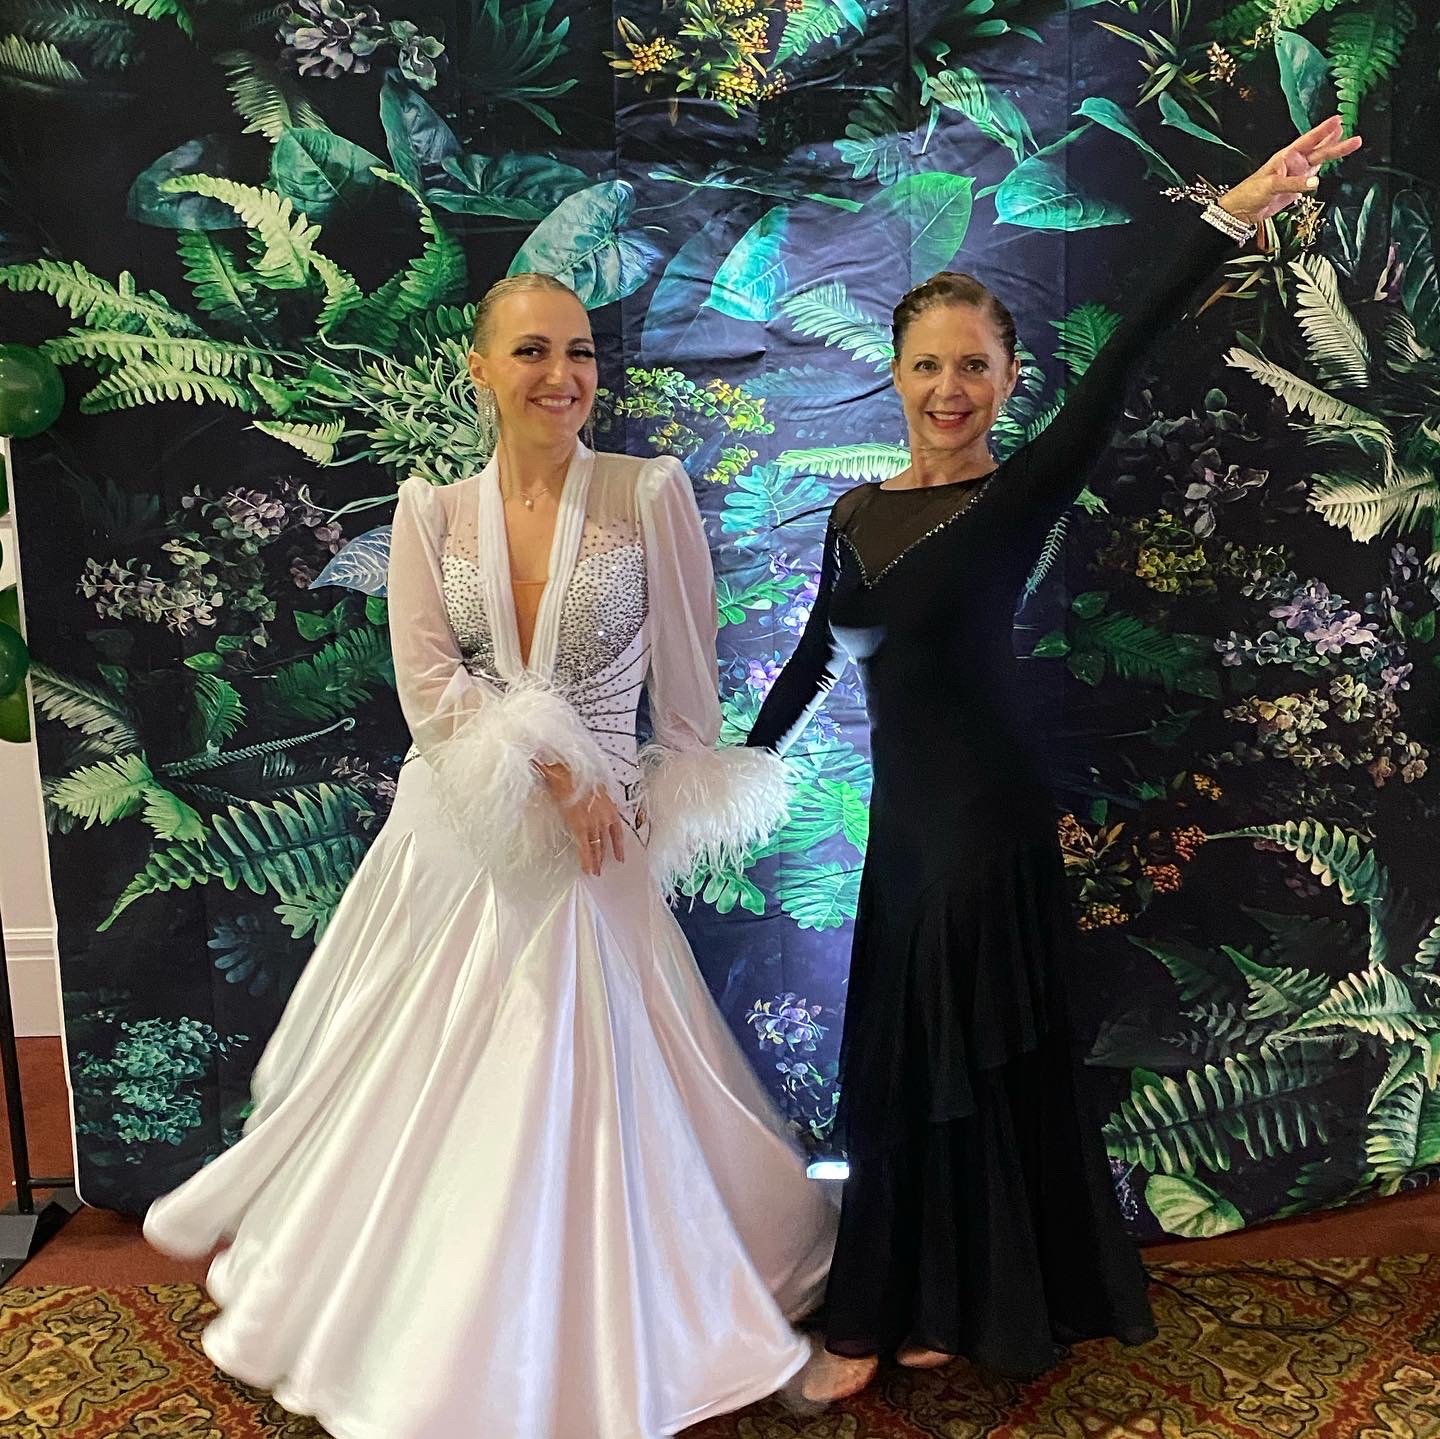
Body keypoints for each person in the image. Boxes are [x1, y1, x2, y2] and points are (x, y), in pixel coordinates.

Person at [144, 272, 837, 1439]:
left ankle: (617, 1326)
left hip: (602, 839)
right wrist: (554, 773)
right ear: (480, 369)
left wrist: (645, 804)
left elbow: (688, 681)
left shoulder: (645, 491)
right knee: (435, 1074)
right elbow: (429, 687)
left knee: (598, 1071)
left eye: (578, 350)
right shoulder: (432, 511)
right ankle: (432, 1334)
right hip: (463, 833)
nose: (561, 375)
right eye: (530, 351)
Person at [746, 117, 1364, 1403]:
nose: (949, 388)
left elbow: (1130, 350)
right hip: (902, 836)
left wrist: (1234, 211)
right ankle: (926, 1298)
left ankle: (879, 1323)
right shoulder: (853, 513)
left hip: (984, 825)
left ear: (1008, 376)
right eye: (928, 365)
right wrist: (713, 772)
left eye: (974, 365)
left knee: (945, 1063)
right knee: (905, 1071)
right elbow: (813, 661)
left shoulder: (1013, 494)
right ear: (898, 376)